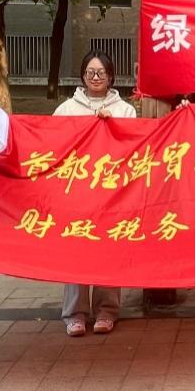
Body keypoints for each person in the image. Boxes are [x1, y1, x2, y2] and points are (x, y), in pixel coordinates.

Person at [53, 50, 136, 336]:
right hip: (76, 195)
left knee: (107, 253)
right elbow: (52, 146)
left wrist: (113, 128)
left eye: (101, 72)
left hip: (112, 196)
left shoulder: (125, 110)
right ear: (82, 76)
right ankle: (74, 314)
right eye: (90, 72)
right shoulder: (66, 109)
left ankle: (107, 311)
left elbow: (134, 150)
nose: (96, 77)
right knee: (75, 253)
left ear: (111, 76)